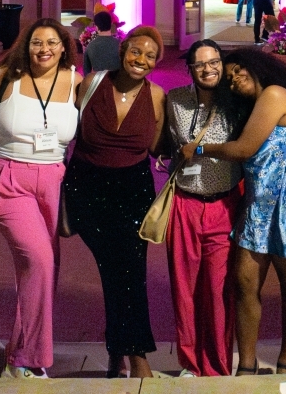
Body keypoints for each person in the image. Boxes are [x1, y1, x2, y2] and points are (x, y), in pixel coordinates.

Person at [180, 48, 286, 376]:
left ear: (256, 66)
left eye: (239, 70)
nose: (235, 78)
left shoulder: (274, 94)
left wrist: (200, 149)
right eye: (229, 78)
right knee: (244, 285)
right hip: (258, 207)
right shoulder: (252, 106)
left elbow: (244, 149)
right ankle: (246, 363)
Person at [64, 25, 167, 379]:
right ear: (123, 52)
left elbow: (158, 147)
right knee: (118, 271)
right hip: (87, 187)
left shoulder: (156, 97)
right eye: (136, 51)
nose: (142, 60)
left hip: (132, 191)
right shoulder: (91, 83)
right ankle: (129, 353)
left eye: (150, 55)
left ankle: (126, 354)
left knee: (128, 273)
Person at [0, 18, 82, 379]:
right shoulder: (6, 77)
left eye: (52, 43)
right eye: (37, 42)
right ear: (27, 45)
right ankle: (26, 356)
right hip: (8, 178)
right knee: (38, 259)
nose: (44, 50)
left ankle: (23, 346)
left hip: (53, 179)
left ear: (64, 46)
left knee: (44, 267)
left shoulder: (75, 81)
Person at [166, 39, 247, 377]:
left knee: (217, 291)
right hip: (184, 203)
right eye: (200, 64)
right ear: (190, 69)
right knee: (184, 290)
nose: (208, 69)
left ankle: (216, 365)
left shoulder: (237, 103)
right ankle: (189, 363)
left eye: (214, 61)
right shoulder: (175, 101)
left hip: (222, 203)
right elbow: (167, 144)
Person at [82, 10, 121, 76]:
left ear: (96, 27)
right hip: (118, 83)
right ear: (111, 24)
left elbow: (86, 73)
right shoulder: (120, 45)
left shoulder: (90, 46)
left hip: (99, 84)